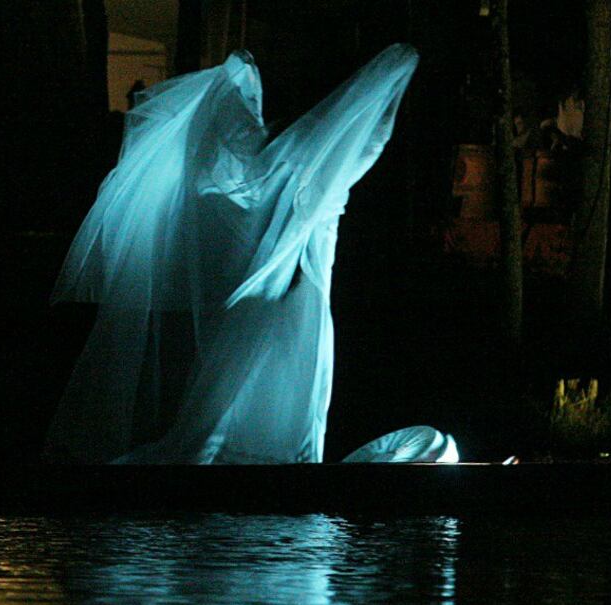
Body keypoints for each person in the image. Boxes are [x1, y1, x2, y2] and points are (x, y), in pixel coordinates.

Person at [46, 45, 420, 463]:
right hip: (273, 315)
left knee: (252, 416)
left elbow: (346, 146)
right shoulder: (271, 194)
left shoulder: (236, 198)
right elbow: (353, 145)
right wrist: (398, 64)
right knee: (252, 415)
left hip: (269, 313)